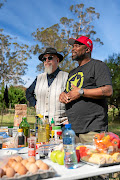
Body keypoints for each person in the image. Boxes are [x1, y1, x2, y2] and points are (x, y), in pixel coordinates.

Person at [59, 36, 113, 144]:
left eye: (77, 46)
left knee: (94, 159)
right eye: (73, 46)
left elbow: (108, 90)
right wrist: (63, 95)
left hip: (92, 130)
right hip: (72, 130)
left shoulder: (98, 65)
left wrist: (81, 92)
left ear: (87, 49)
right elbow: (70, 91)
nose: (73, 49)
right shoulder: (72, 72)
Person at [26, 47, 68, 125]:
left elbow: (73, 98)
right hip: (41, 124)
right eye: (44, 59)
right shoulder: (39, 78)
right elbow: (28, 93)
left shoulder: (66, 77)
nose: (47, 61)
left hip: (61, 125)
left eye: (50, 58)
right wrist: (35, 104)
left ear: (57, 60)